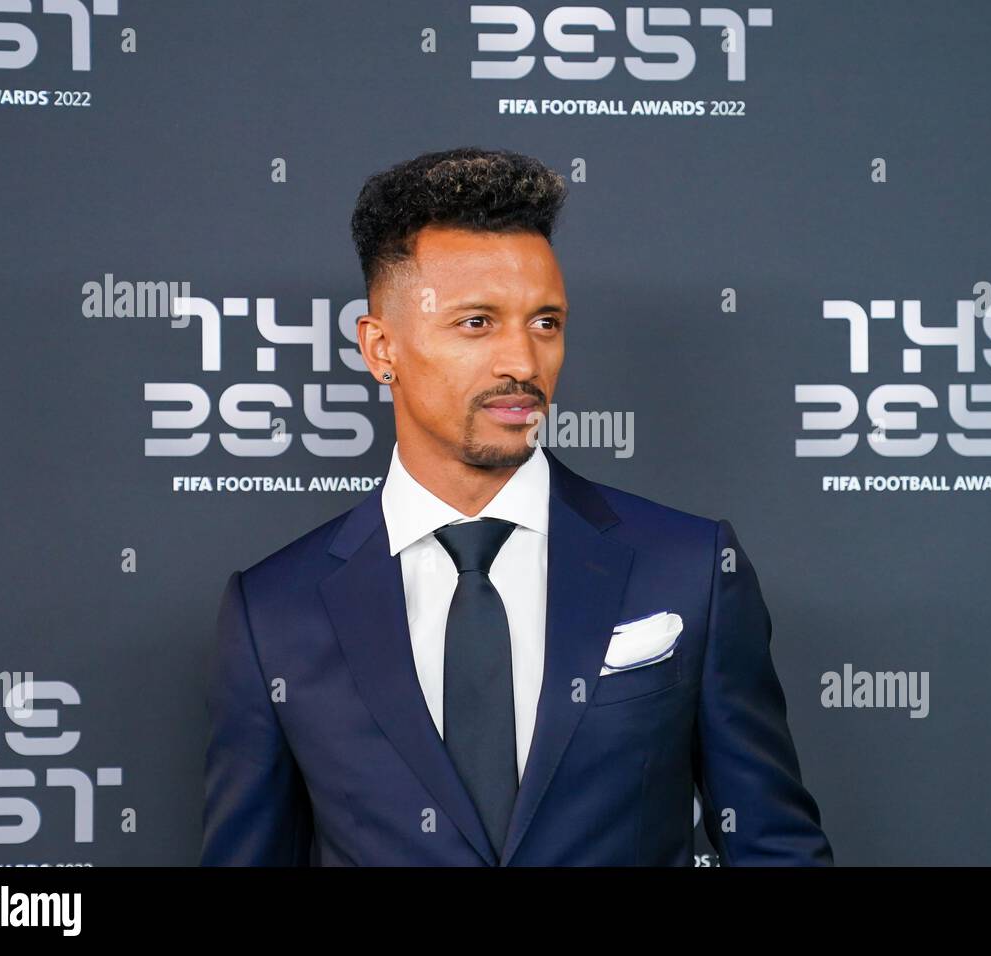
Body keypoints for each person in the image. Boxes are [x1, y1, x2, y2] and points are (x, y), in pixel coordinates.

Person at [200, 146, 833, 866]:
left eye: (546, 323)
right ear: (381, 349)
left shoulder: (689, 569)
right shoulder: (274, 612)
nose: (523, 365)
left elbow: (773, 847)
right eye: (477, 324)